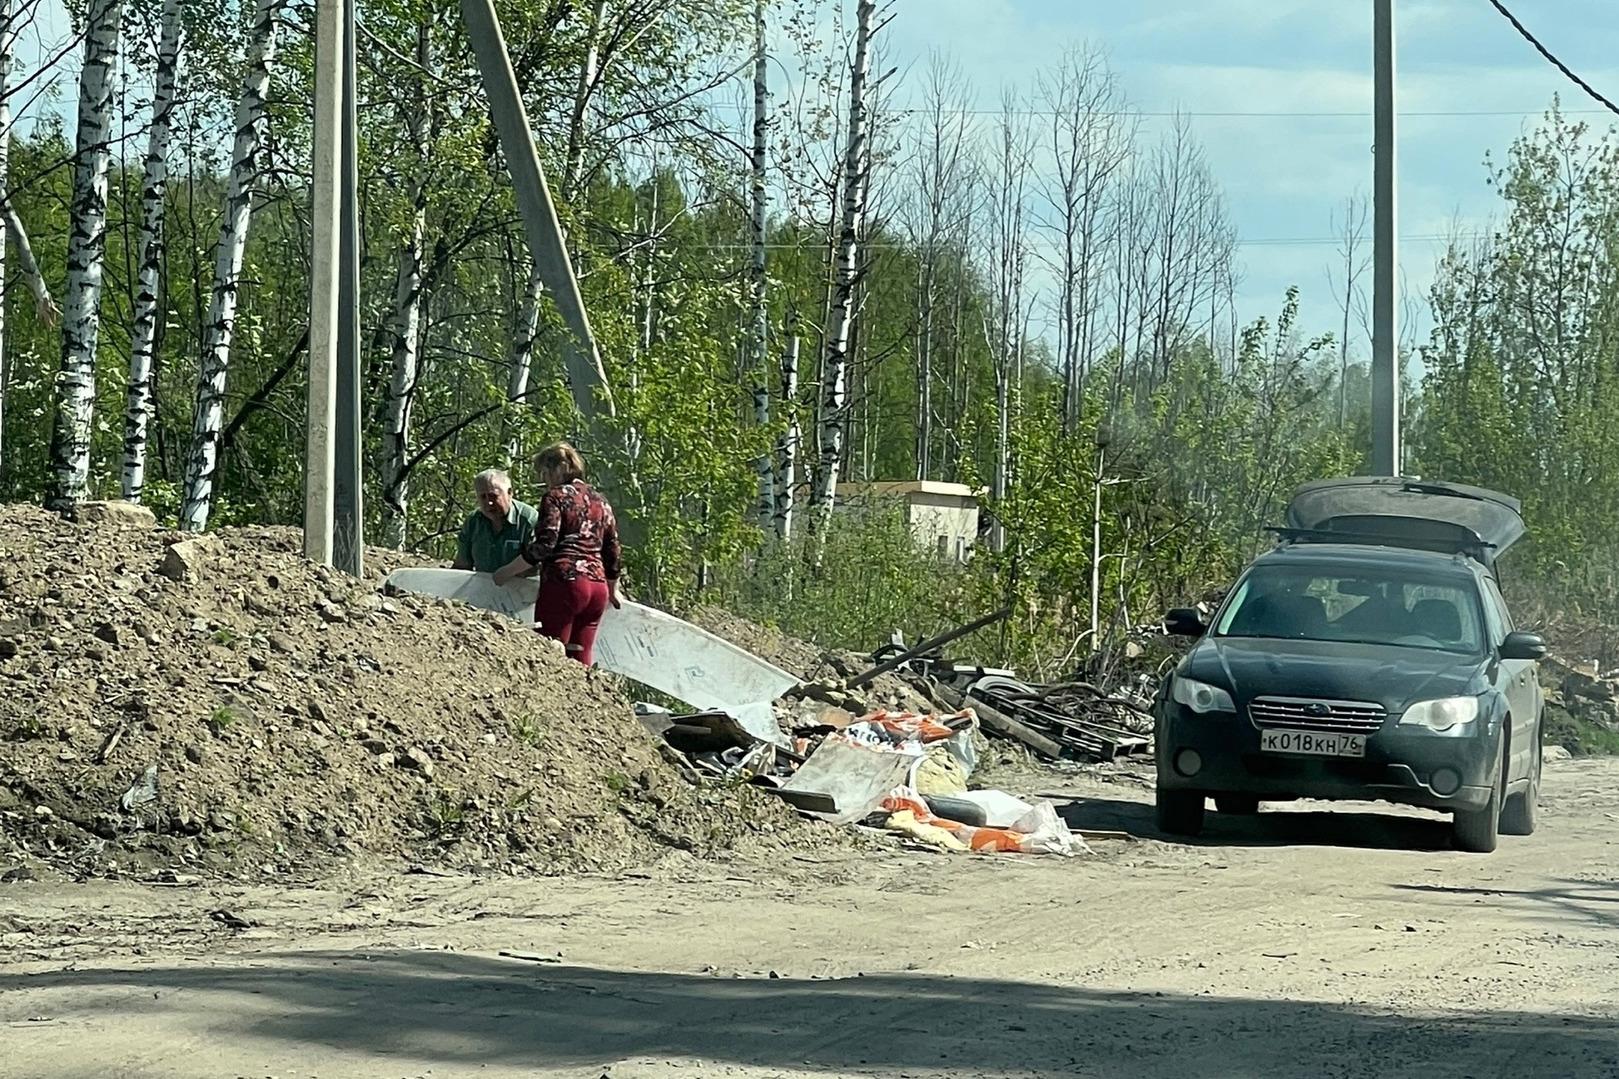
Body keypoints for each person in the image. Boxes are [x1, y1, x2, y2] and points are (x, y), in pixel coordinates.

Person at [492, 442, 624, 665]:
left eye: (544, 472)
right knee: (582, 660)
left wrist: (506, 572)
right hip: (597, 589)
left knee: (549, 656)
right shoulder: (601, 501)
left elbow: (545, 544)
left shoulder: (555, 497)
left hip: (564, 584)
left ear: (557, 469)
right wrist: (613, 589)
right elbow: (612, 548)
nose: (544, 480)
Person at [453, 468, 540, 574]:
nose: (488, 502)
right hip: (483, 587)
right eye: (483, 497)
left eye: (493, 496)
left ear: (509, 493)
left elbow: (538, 564)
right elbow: (462, 566)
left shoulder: (529, 520)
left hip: (521, 587)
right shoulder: (473, 522)